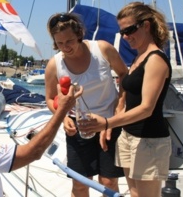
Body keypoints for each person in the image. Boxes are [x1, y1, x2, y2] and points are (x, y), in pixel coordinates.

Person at [79, 2, 172, 197]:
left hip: (149, 140)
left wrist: (106, 123)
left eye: (129, 30)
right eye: (122, 32)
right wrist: (112, 126)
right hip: (129, 137)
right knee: (135, 194)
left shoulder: (155, 59)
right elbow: (128, 98)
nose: (126, 37)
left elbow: (146, 108)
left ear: (146, 25)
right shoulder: (139, 58)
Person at [45, 12, 128, 197]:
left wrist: (119, 107)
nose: (65, 47)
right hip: (78, 126)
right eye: (59, 43)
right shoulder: (54, 65)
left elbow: (124, 75)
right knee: (81, 183)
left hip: (109, 123)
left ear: (80, 34)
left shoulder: (103, 49)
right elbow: (50, 99)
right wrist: (63, 118)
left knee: (108, 182)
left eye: (69, 41)